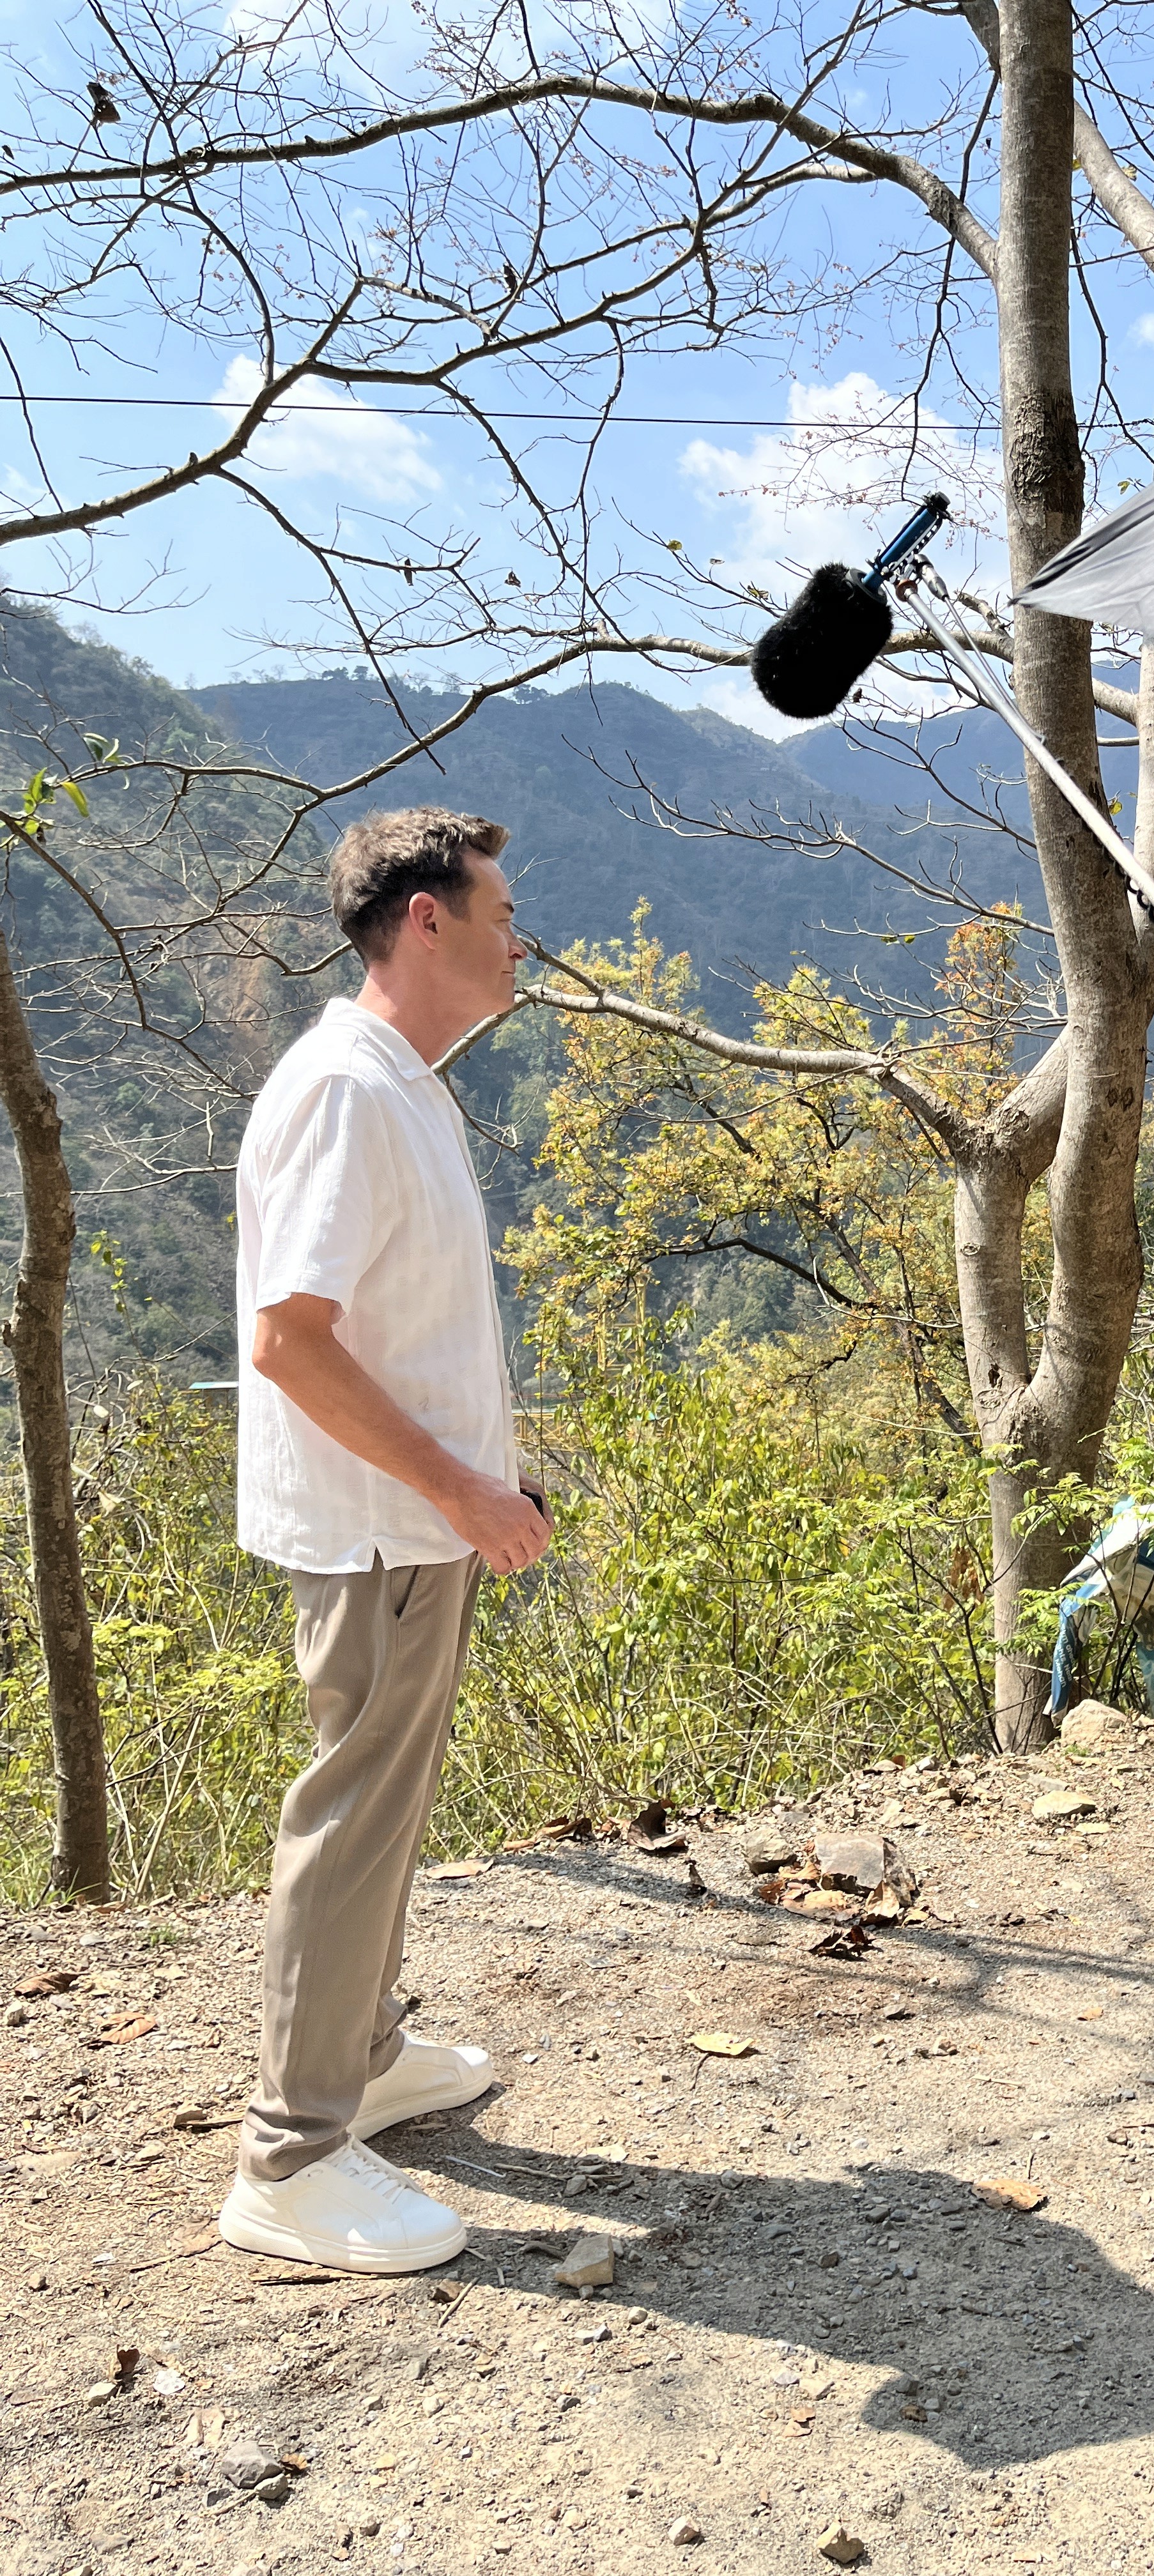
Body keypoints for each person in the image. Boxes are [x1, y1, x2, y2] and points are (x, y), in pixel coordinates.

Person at [218, 808, 553, 2276]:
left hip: (408, 1523)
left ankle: (365, 2047)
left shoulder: (400, 1081)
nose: (516, 934)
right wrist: (466, 1495)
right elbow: (291, 1343)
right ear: (423, 919)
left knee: (385, 1809)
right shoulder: (348, 1091)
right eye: (495, 909)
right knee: (351, 1822)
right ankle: (291, 2157)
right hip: (379, 1531)